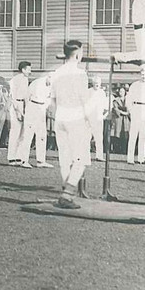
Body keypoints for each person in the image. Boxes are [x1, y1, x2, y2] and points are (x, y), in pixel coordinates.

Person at [50, 40, 93, 209]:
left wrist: (57, 116)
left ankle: (66, 193)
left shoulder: (57, 72)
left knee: (65, 158)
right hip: (74, 118)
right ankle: (67, 195)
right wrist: (90, 120)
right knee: (81, 159)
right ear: (77, 55)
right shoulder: (80, 74)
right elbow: (84, 100)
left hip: (61, 117)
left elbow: (52, 100)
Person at [18, 73, 54, 168]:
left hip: (41, 109)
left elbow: (49, 98)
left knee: (42, 135)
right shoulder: (36, 83)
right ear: (48, 77)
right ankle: (23, 161)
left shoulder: (51, 86)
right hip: (32, 107)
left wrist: (45, 107)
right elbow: (26, 96)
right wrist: (25, 109)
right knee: (28, 135)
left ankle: (41, 161)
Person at [125, 70, 145, 164]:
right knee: (133, 134)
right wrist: (130, 109)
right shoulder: (134, 85)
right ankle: (130, 158)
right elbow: (128, 98)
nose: (143, 76)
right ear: (139, 75)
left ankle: (141, 158)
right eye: (142, 74)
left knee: (143, 135)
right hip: (136, 109)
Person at [7, 61, 32, 164]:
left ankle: (18, 157)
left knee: (23, 133)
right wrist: (18, 111)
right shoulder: (15, 80)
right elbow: (13, 97)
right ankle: (11, 157)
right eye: (29, 69)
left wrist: (26, 109)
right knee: (15, 132)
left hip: (23, 105)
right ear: (23, 70)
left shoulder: (26, 80)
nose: (30, 71)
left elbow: (25, 96)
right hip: (16, 105)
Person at [85, 75, 109, 161]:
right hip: (89, 117)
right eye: (95, 83)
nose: (96, 85)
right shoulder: (88, 92)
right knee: (87, 137)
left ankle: (99, 156)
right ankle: (86, 156)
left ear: (100, 83)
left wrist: (104, 116)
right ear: (92, 83)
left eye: (98, 83)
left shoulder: (102, 93)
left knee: (99, 137)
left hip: (99, 118)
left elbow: (107, 107)